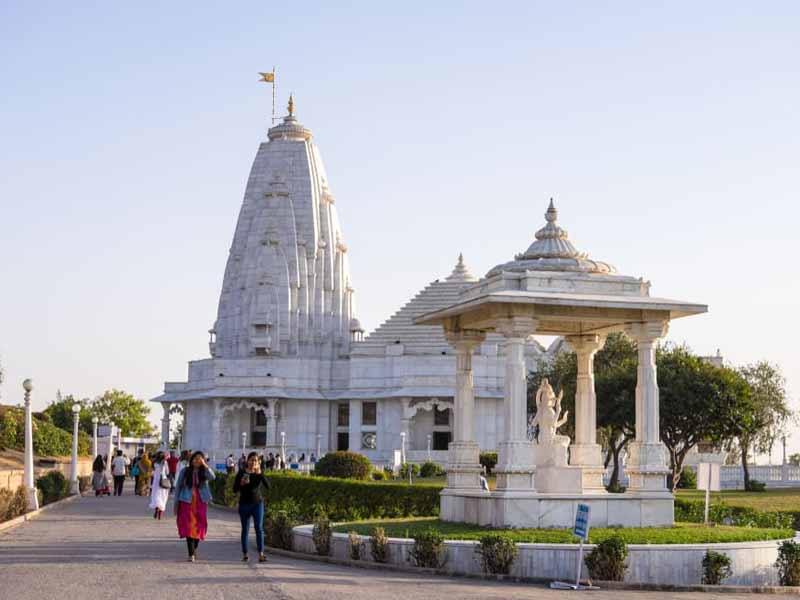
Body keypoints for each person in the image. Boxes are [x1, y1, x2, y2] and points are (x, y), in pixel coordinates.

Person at [174, 451, 215, 562]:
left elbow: (213, 477)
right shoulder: (185, 471)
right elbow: (177, 487)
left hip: (201, 503)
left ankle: (194, 547)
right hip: (186, 502)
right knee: (188, 527)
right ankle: (191, 554)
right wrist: (176, 504)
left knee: (199, 526)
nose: (197, 460)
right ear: (191, 460)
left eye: (200, 458)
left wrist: (205, 465)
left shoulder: (204, 472)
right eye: (195, 458)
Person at [233, 451, 269, 563]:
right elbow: (235, 489)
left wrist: (260, 473)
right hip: (244, 504)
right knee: (245, 529)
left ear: (259, 462)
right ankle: (245, 554)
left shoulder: (259, 473)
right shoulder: (242, 473)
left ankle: (261, 554)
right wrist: (241, 484)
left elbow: (268, 486)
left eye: (256, 460)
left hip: (257, 504)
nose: (253, 462)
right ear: (247, 461)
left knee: (259, 528)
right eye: (251, 460)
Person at [149, 451, 170, 519]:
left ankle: (156, 509)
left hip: (156, 480)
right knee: (163, 496)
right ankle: (160, 513)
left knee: (156, 495)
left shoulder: (154, 463)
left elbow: (152, 472)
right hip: (163, 480)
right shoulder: (165, 462)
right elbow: (167, 472)